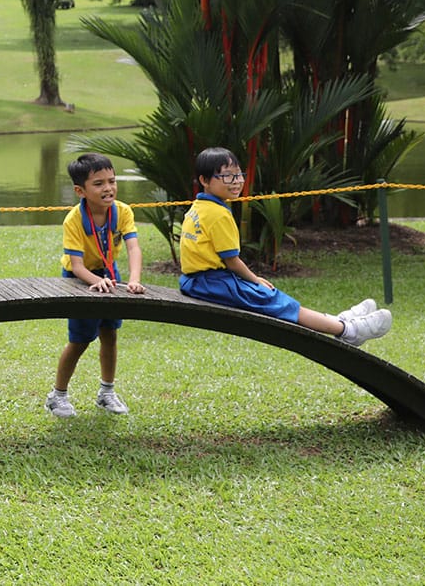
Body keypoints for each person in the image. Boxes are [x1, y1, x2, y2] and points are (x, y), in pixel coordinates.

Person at [179, 147, 392, 346]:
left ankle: (337, 320)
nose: (235, 181)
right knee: (276, 301)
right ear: (204, 180)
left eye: (238, 175)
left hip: (195, 281)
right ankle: (347, 330)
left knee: (274, 299)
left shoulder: (199, 207)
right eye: (226, 176)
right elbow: (232, 261)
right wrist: (256, 280)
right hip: (213, 282)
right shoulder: (219, 215)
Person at [46, 153, 145, 419]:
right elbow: (77, 266)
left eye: (112, 181)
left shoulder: (122, 211)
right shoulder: (74, 220)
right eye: (99, 183)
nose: (108, 188)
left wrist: (133, 279)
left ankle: (106, 392)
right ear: (80, 190)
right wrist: (96, 280)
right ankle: (58, 396)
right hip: (80, 279)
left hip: (110, 273)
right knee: (79, 340)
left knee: (110, 333)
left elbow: (133, 247)